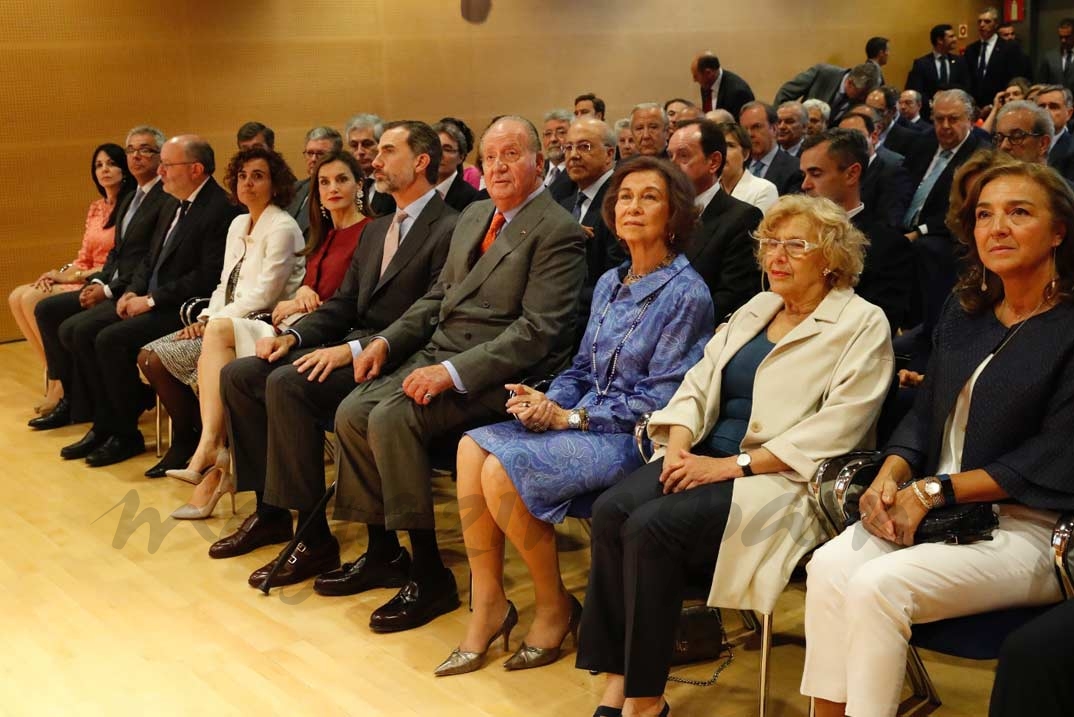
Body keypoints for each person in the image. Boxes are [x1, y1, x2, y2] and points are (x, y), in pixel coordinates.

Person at [236, 117, 587, 638]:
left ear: (539, 162)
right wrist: (385, 342)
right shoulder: (474, 216)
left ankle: (430, 573)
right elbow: (435, 300)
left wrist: (450, 373)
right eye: (490, 157)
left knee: (390, 416)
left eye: (511, 155)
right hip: (435, 352)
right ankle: (385, 552)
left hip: (497, 376)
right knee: (352, 410)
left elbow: (536, 333)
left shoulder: (557, 230)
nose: (498, 166)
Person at [578, 194, 893, 717]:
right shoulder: (757, 306)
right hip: (701, 456)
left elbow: (839, 427)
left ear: (833, 257)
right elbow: (698, 384)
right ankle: (618, 683)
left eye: (796, 245)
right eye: (771, 242)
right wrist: (678, 445)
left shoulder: (862, 323)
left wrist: (728, 466)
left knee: (649, 528)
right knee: (612, 510)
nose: (777, 256)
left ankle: (645, 700)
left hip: (781, 479)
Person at [801, 161, 1074, 717]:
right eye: (984, 215)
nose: (997, 227)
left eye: (1019, 213)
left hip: (1029, 527)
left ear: (1058, 232)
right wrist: (889, 476)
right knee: (827, 568)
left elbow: (1053, 453)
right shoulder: (966, 308)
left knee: (879, 586)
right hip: (933, 508)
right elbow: (924, 417)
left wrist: (932, 492)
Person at [435, 156, 714, 677]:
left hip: (632, 438)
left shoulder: (686, 292)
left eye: (649, 197)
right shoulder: (610, 280)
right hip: (581, 420)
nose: (632, 206)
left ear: (675, 214)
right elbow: (582, 365)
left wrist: (571, 419)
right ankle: (489, 604)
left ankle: (554, 606)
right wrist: (549, 403)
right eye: (625, 197)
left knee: (501, 470)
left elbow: (662, 401)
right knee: (470, 446)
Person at [206, 122, 455, 557]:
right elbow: (343, 303)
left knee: (287, 385)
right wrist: (294, 335)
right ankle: (271, 512)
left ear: (420, 162)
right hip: (356, 344)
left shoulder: (450, 226)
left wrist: (353, 349)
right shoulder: (378, 230)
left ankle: (313, 535)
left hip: (402, 356)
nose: (375, 161)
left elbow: (433, 312)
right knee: (242, 374)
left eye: (387, 152)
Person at [62, 135, 241, 468]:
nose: (161, 171)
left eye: (168, 165)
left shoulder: (219, 208)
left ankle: (128, 433)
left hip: (182, 307)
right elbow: (150, 259)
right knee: (79, 330)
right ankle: (105, 424)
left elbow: (205, 275)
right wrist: (132, 291)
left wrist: (151, 300)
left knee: (109, 339)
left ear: (196, 169)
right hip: (150, 298)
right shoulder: (173, 201)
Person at [135, 147, 303, 495]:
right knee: (149, 356)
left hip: (262, 324)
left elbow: (264, 295)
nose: (248, 183)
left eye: (258, 176)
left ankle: (205, 444)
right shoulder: (238, 223)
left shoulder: (282, 227)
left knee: (160, 357)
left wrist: (215, 321)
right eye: (242, 176)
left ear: (276, 184)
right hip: (225, 321)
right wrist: (209, 316)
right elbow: (224, 282)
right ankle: (205, 440)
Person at [33, 127, 170, 430]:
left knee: (78, 329)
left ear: (162, 157)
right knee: (47, 310)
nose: (136, 155)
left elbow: (147, 260)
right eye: (131, 149)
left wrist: (107, 290)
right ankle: (76, 398)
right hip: (113, 283)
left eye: (145, 149)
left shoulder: (164, 198)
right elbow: (116, 255)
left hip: (139, 291)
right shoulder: (133, 197)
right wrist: (98, 283)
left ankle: (108, 409)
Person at [10, 143, 133, 415]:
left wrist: (74, 276)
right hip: (82, 274)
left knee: (33, 300)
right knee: (17, 295)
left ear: (124, 170)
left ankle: (62, 384)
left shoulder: (130, 206)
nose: (105, 170)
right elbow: (84, 255)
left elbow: (115, 262)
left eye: (111, 163)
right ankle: (57, 377)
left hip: (103, 280)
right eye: (99, 165)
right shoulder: (96, 207)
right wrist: (58, 275)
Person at [667, 119, 763, 320]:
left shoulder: (742, 217)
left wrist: (670, 324)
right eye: (670, 156)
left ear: (713, 162)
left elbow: (732, 297)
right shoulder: (661, 212)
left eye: (683, 156)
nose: (672, 165)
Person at [774, 62, 881, 126]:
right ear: (850, 82)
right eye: (862, 93)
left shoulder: (860, 100)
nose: (863, 98)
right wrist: (778, 122)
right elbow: (786, 93)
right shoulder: (823, 73)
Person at [905, 24, 972, 121]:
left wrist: (945, 91)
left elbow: (966, 86)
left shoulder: (960, 61)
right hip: (928, 116)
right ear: (940, 40)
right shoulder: (921, 63)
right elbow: (916, 90)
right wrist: (932, 104)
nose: (955, 39)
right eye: (951, 36)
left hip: (954, 114)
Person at [739, 101, 803, 196]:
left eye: (756, 127)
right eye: (744, 129)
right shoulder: (739, 166)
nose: (749, 134)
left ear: (774, 128)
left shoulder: (795, 169)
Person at [965, 7, 1023, 109]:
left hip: (999, 104)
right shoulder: (971, 49)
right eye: (979, 22)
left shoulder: (1009, 48)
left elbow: (1013, 78)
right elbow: (968, 78)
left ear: (996, 24)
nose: (982, 25)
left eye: (987, 21)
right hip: (975, 106)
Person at [289, 126, 343, 234]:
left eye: (320, 154)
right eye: (310, 153)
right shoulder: (295, 188)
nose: (313, 159)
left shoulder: (338, 193)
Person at [716, 121, 778, 214]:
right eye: (718, 145)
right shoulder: (709, 188)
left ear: (745, 154)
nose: (722, 151)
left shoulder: (764, 189)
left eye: (730, 145)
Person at [431, 121, 479, 212]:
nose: (439, 154)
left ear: (461, 157)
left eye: (447, 149)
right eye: (434, 148)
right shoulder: (417, 191)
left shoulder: (472, 199)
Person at [692, 52, 755, 119]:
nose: (694, 80)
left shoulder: (738, 92)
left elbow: (740, 125)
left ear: (708, 73)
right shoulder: (706, 84)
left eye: (696, 76)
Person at [1037, 18, 1074, 94]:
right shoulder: (1049, 58)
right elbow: (1041, 85)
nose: (1063, 40)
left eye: (1067, 37)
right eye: (1061, 37)